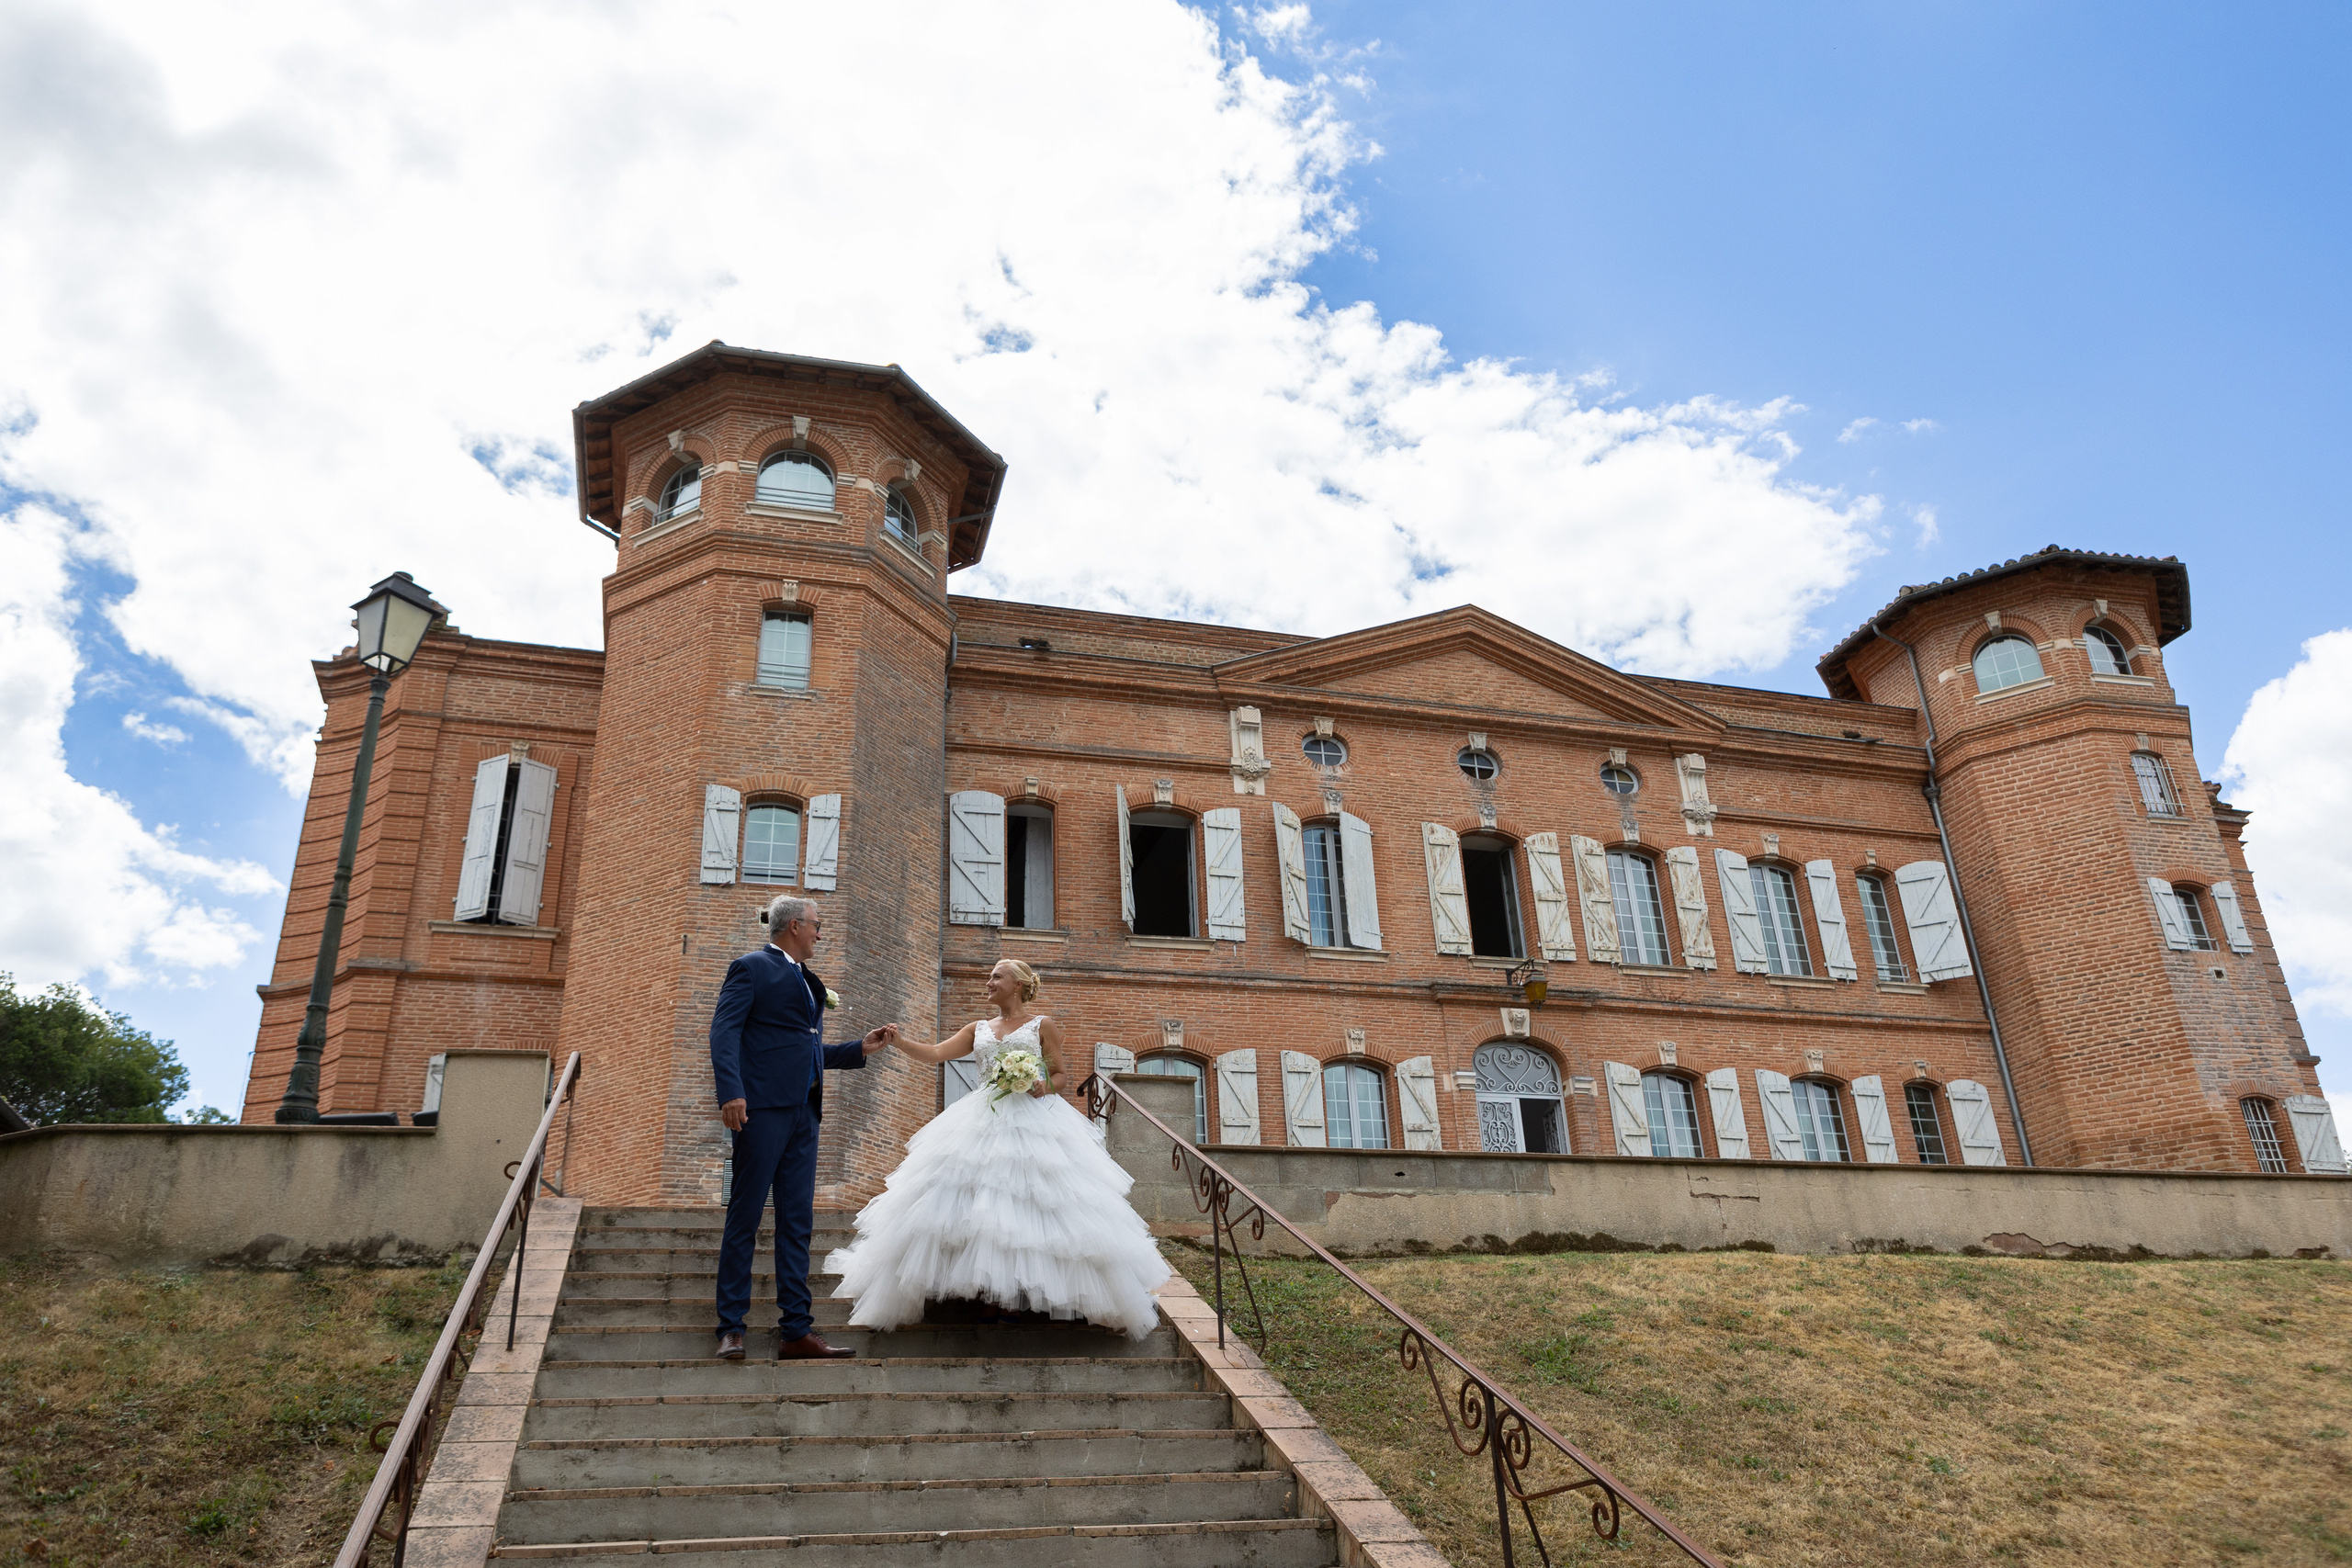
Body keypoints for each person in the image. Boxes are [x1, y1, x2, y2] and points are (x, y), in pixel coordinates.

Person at [825, 958, 1170, 1338]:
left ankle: (1012, 1299)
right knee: (981, 1208)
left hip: (1034, 1121)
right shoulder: (978, 1028)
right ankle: (987, 1295)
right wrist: (898, 1041)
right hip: (982, 1117)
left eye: (996, 977)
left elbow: (1060, 1075)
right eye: (989, 976)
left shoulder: (1043, 1025)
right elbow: (937, 1054)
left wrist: (1042, 1084)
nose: (988, 982)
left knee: (1027, 1207)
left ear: (1018, 985)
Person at [709, 894, 899, 1360]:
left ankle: (796, 1330)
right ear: (794, 926)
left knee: (797, 1223)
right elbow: (724, 1031)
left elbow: (805, 1048)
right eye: (816, 925)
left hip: (803, 1114)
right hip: (761, 1111)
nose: (820, 933)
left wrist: (859, 1049)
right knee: (746, 1216)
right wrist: (731, 1093)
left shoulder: (806, 979)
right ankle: (731, 1327)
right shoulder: (750, 967)